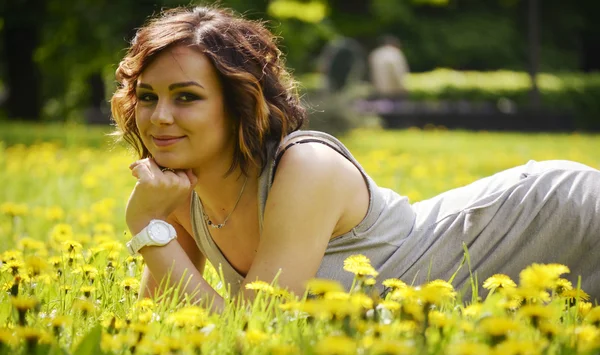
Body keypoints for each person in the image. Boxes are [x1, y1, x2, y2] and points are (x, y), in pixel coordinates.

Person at [111, 6, 600, 312]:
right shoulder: (177, 191)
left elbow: (261, 329)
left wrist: (145, 230)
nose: (160, 117)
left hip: (554, 215)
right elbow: (165, 320)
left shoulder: (305, 168)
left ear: (239, 101)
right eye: (148, 96)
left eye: (187, 97)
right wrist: (157, 224)